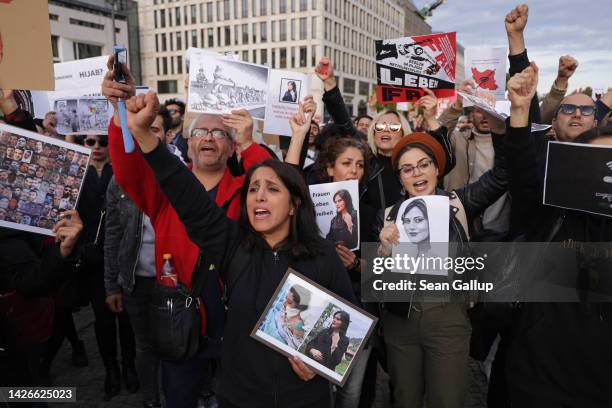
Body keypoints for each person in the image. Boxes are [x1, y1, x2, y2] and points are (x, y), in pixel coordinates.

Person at [120, 88, 356, 408]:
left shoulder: (323, 255)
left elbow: (350, 325)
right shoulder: (233, 246)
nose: (258, 196)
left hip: (304, 398)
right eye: (253, 189)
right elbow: (185, 192)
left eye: (272, 189)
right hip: (240, 397)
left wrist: (321, 366)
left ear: (293, 205)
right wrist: (143, 136)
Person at [102, 56, 270, 408]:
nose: (208, 137)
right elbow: (129, 171)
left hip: (235, 318)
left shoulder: (247, 189)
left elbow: (277, 186)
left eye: (219, 133)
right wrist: (121, 118)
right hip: (180, 318)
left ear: (231, 145)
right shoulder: (165, 189)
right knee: (180, 397)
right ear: (187, 144)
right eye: (200, 132)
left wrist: (251, 143)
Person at [376, 87, 506, 407]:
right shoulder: (388, 217)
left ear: (437, 169)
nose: (417, 173)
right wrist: (383, 251)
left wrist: (501, 125)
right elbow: (377, 280)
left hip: (448, 316)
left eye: (424, 165)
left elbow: (504, 176)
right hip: (401, 321)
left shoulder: (459, 202)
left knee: (447, 399)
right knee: (404, 398)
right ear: (401, 178)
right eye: (408, 169)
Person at [504, 57, 612, 408]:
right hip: (535, 376)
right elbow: (521, 177)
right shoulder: (552, 210)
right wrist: (520, 115)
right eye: (594, 164)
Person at [104, 107, 181, 408]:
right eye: (143, 128)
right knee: (145, 346)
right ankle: (151, 400)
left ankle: (180, 396)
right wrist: (112, 285)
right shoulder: (119, 181)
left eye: (156, 129)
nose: (149, 134)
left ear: (167, 134)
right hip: (136, 282)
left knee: (177, 344)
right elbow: (113, 235)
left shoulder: (181, 173)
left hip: (175, 281)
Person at [163, 98, 189, 162]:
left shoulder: (189, 138)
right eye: (166, 112)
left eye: (172, 112)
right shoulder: (160, 136)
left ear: (183, 116)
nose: (168, 115)